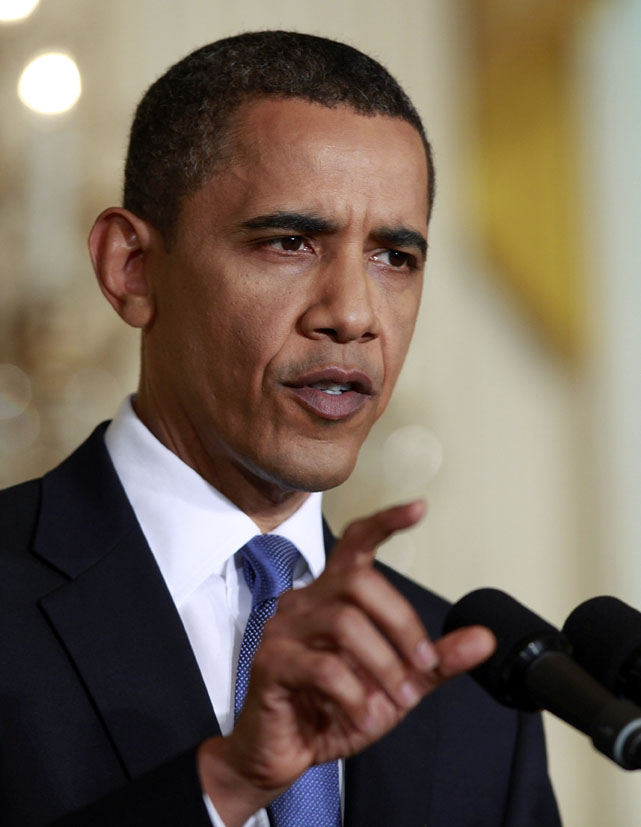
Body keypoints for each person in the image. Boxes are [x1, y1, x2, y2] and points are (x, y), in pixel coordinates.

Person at [0, 31, 561, 827]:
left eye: (394, 257)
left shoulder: (468, 688)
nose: (354, 314)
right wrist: (223, 785)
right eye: (289, 242)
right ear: (131, 267)